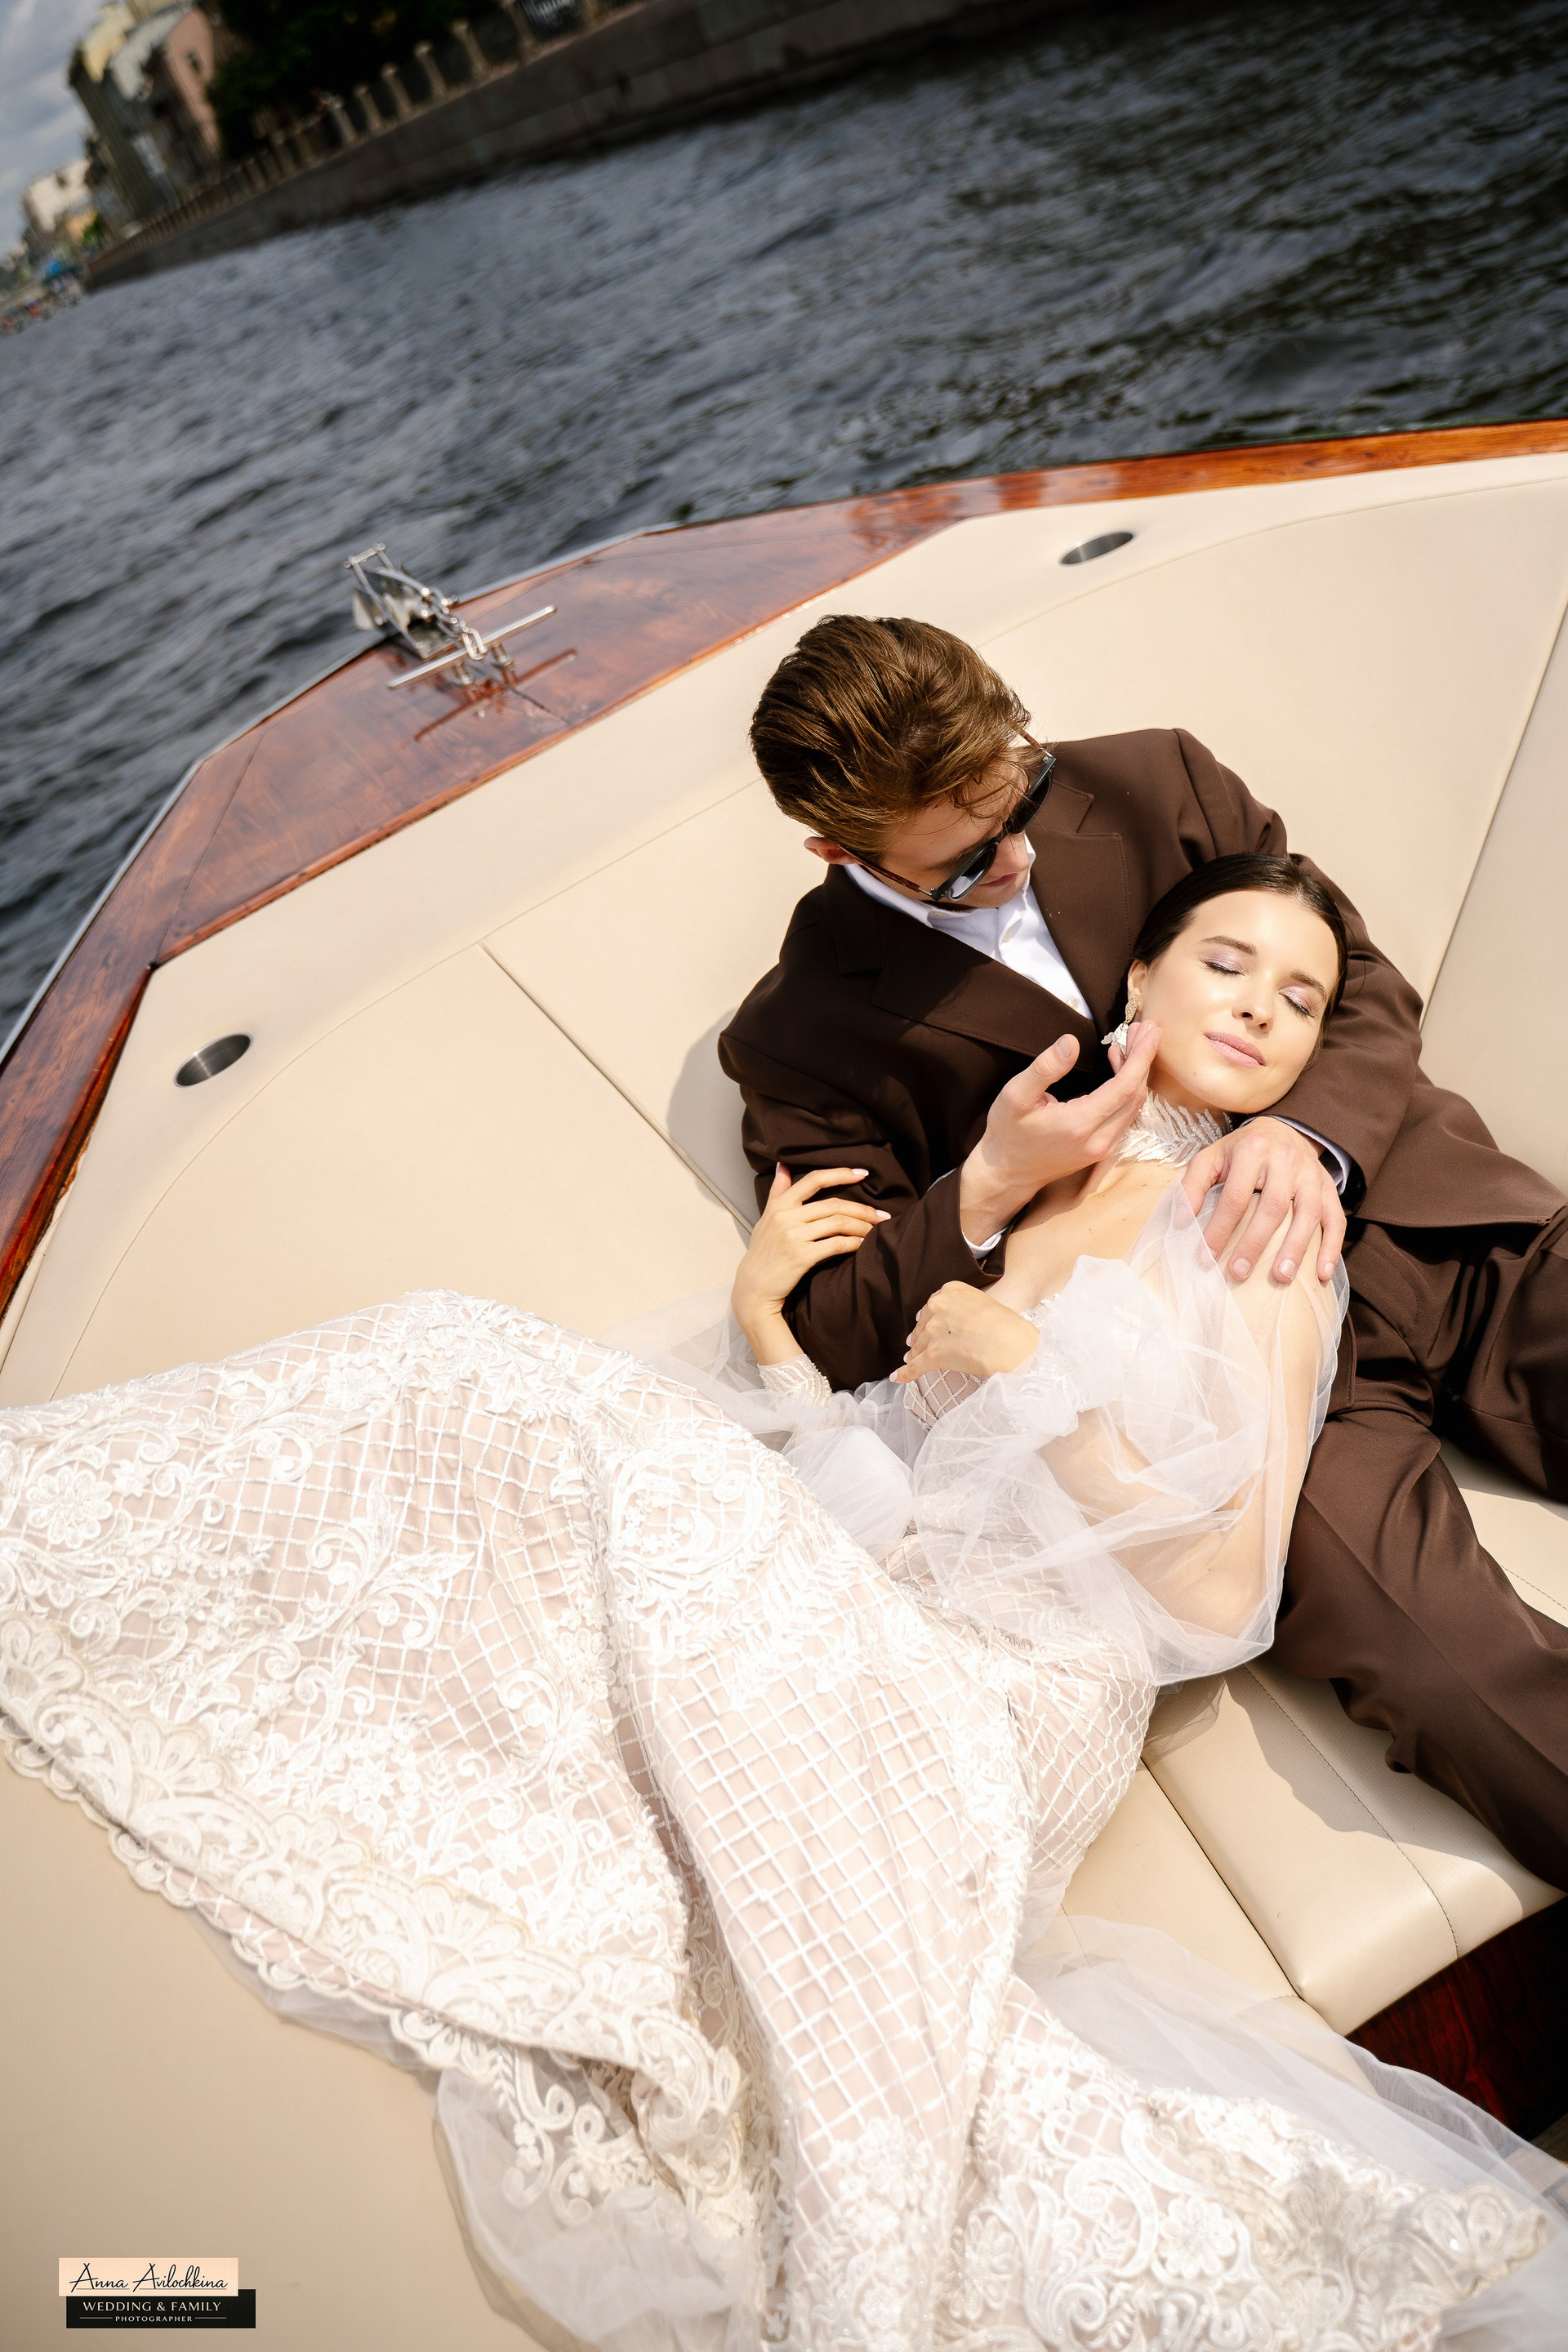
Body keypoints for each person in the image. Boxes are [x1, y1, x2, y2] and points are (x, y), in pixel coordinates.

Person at [3, 869, 1564, 2346]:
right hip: (873, 1605)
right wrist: (770, 1332)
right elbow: (899, 1469)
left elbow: (1225, 1585)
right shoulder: (1047, 1191)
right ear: (1136, 984)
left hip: (1014, 1689)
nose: (1263, 1007)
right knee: (464, 1365)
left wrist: (1035, 1382)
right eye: (1227, 963)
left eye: (1301, 998)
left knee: (501, 1389)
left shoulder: (1267, 1232)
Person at [719, 613, 1568, 1890]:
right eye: (965, 863)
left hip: (1428, 1220)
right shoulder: (799, 1031)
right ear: (840, 853)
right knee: (1458, 1675)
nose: (1016, 856)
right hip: (1251, 1406)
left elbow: (1358, 977)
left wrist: (1303, 1132)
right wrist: (991, 1180)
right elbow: (843, 1324)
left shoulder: (1154, 779)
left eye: (1021, 803)